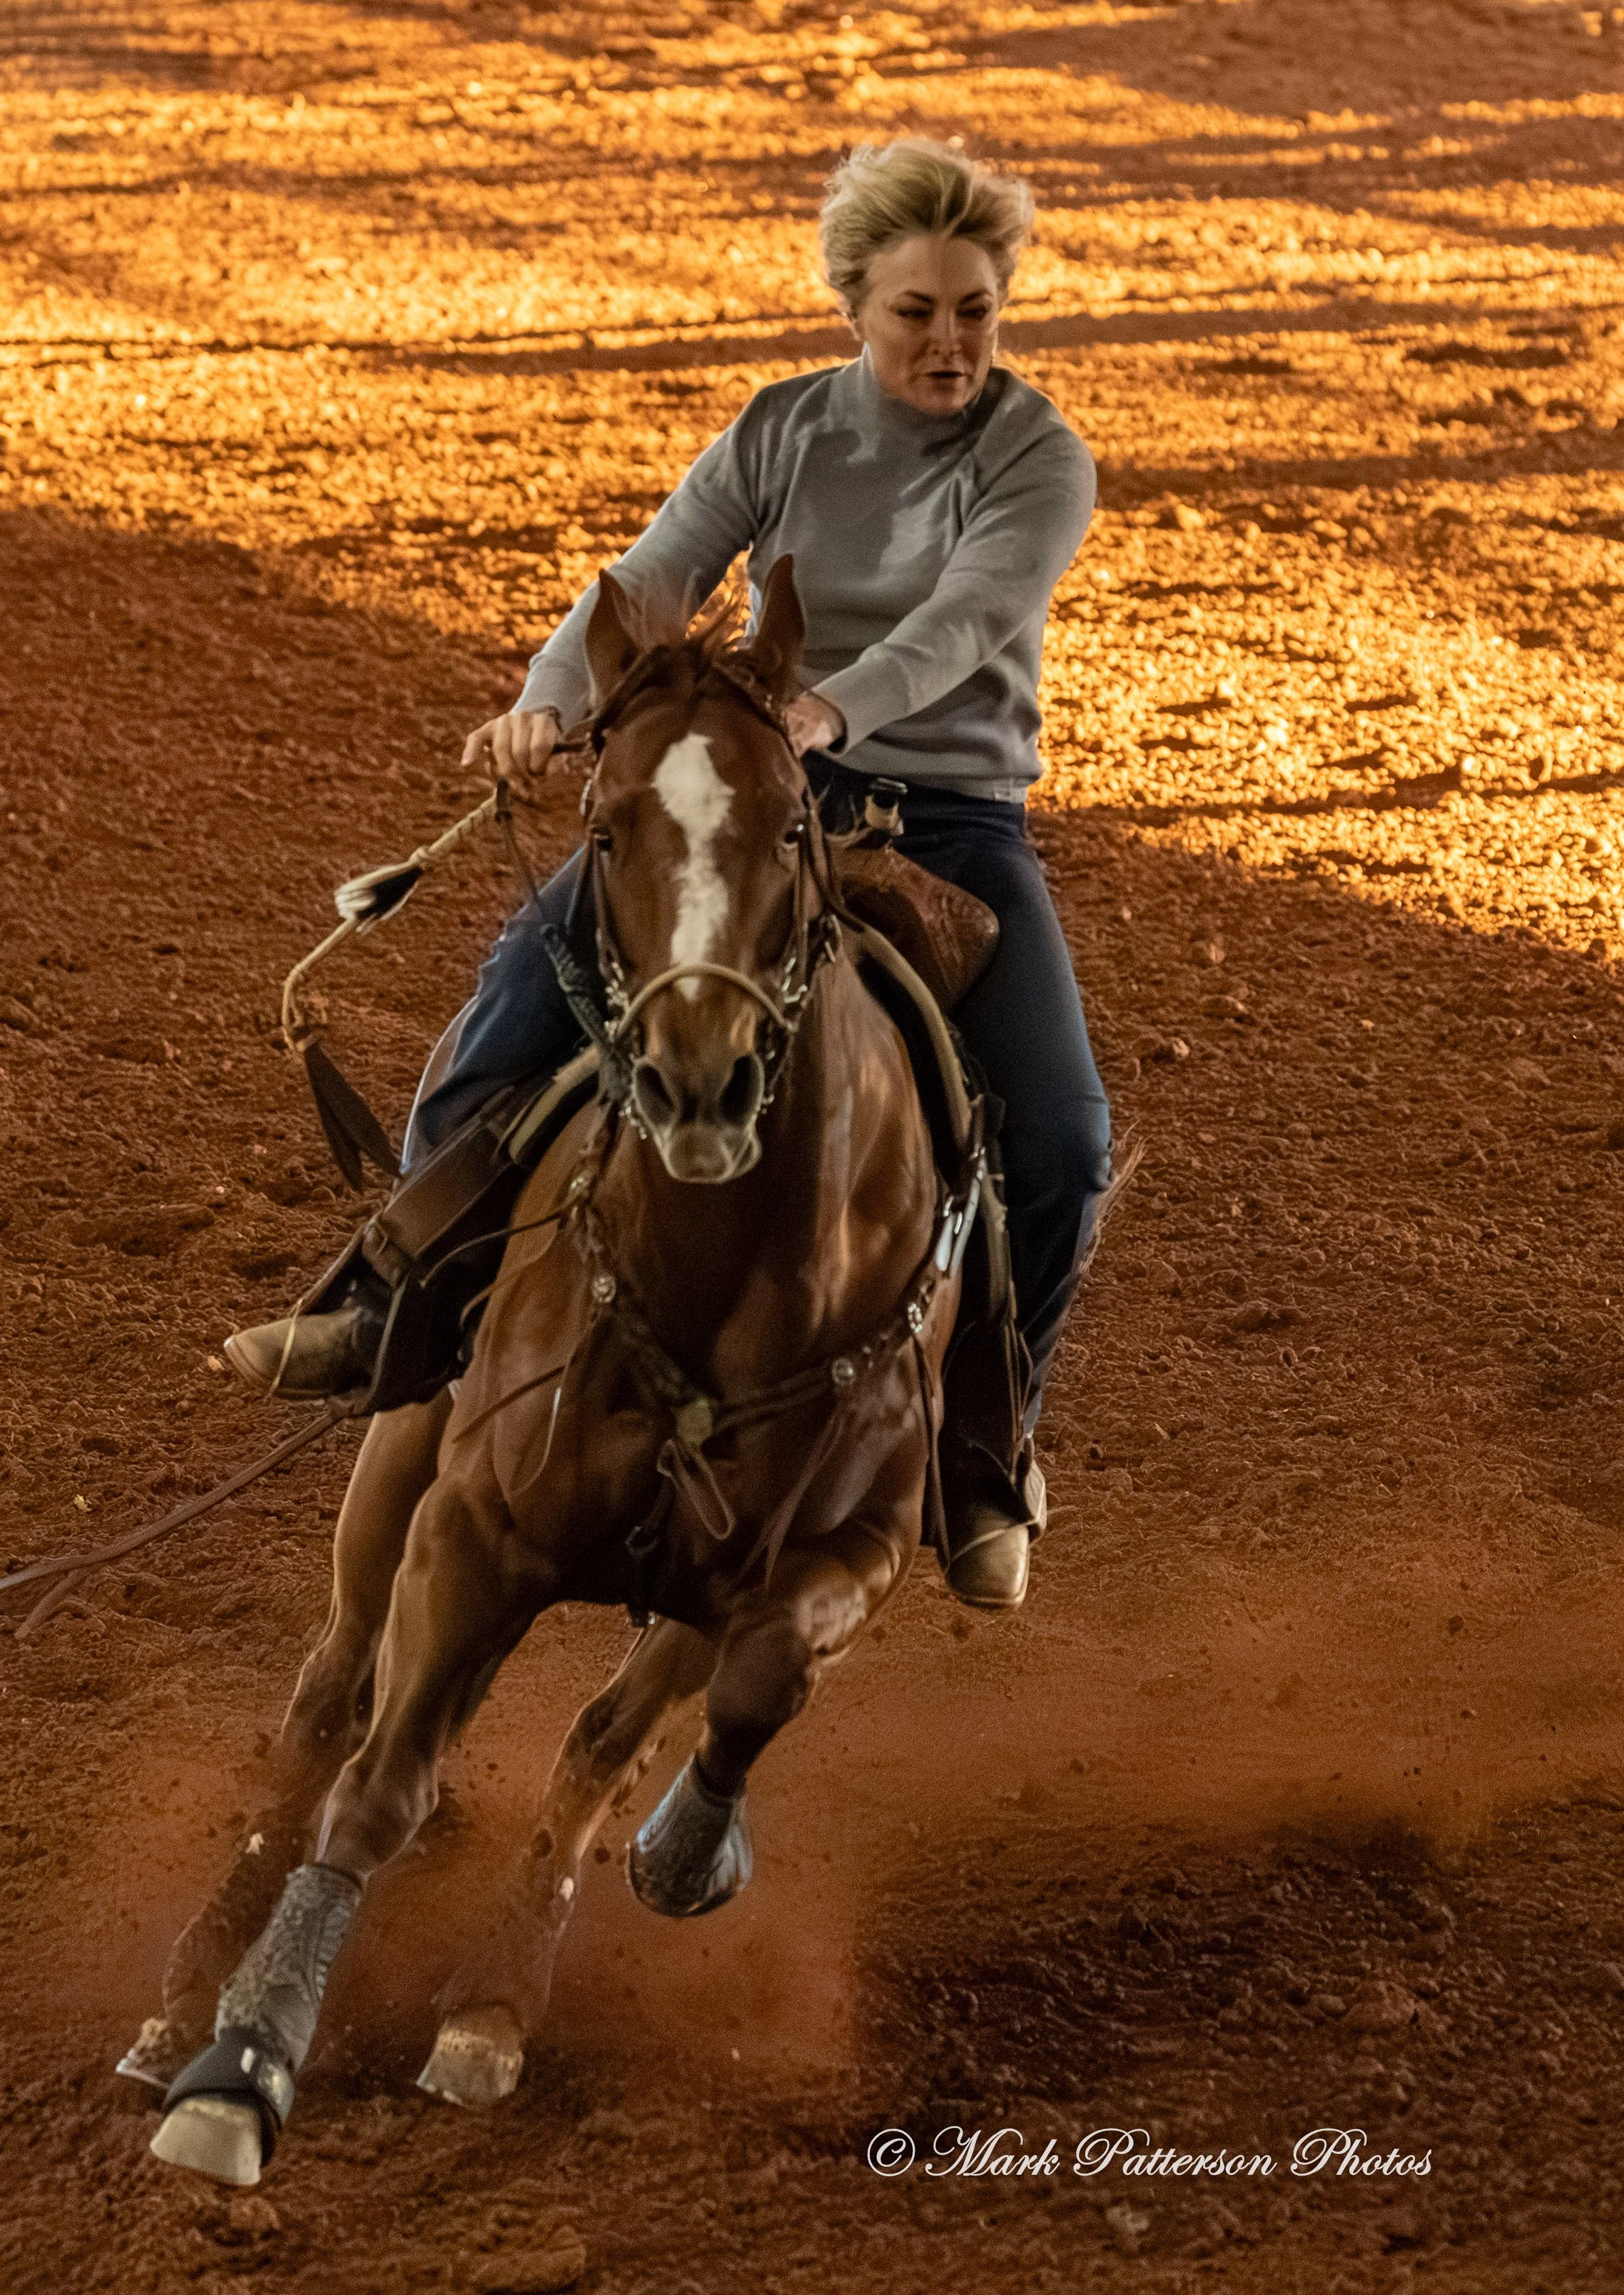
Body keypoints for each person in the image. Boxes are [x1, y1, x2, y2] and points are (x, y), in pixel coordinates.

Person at [225, 137, 1112, 1612]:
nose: (950, 340)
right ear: (854, 308)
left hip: (950, 823)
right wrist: (547, 702)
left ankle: (980, 1444)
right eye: (916, 311)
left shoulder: (1036, 457)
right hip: (762, 797)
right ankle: (387, 1296)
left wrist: (832, 705)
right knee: (508, 1007)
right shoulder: (780, 433)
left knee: (1065, 1139)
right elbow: (644, 582)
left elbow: (969, 622)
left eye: (975, 309)